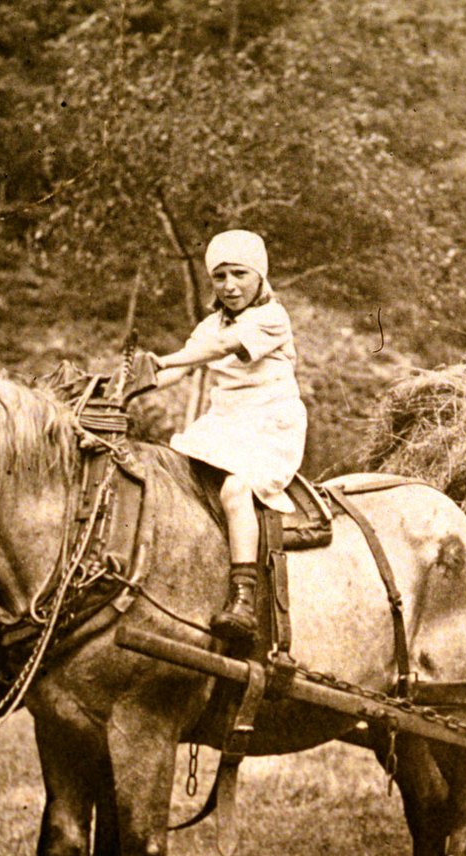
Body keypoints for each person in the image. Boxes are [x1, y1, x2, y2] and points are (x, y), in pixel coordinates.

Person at [140, 229, 306, 642]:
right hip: (225, 423)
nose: (230, 286)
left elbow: (222, 349)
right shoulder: (210, 324)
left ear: (259, 277)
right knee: (174, 480)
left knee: (236, 491)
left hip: (269, 425)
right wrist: (129, 382)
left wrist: (163, 359)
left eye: (239, 274)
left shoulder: (271, 318)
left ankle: (243, 598)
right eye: (219, 277)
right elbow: (178, 370)